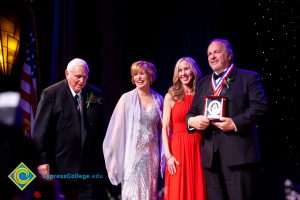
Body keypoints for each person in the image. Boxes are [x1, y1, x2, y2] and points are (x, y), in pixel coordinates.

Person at [186, 38, 268, 200]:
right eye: (209, 54)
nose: (212, 56)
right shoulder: (203, 83)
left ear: (229, 55)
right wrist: (191, 121)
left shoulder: (248, 78)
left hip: (238, 155)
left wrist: (235, 123)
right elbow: (191, 112)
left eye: (216, 52)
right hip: (210, 157)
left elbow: (260, 107)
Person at [32, 58, 107, 200]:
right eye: (78, 76)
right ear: (67, 74)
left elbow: (99, 132)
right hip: (60, 167)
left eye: (85, 77)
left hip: (87, 170)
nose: (82, 81)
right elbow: (39, 132)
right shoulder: (51, 94)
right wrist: (42, 160)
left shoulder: (94, 95)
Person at [103, 60, 164, 199]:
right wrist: (113, 158)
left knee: (148, 194)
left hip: (151, 158)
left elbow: (162, 130)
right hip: (132, 157)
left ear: (150, 76)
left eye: (141, 73)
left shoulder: (159, 99)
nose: (138, 77)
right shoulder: (126, 99)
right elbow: (116, 131)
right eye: (135, 74)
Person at [162, 57, 206, 200]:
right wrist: (168, 157)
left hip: (199, 148)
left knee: (199, 189)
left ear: (193, 70)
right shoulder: (171, 96)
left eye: (186, 69)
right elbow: (165, 128)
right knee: (178, 192)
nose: (183, 73)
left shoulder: (202, 94)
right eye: (180, 70)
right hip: (178, 150)